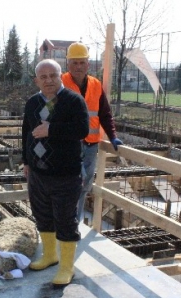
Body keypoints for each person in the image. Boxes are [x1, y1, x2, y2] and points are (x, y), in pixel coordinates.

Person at [22, 59, 89, 286]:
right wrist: (26, 161)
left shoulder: (73, 101)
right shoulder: (32, 103)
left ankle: (66, 267)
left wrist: (51, 129)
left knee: (65, 219)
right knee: (42, 214)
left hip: (65, 173)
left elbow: (82, 129)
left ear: (61, 76)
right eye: (44, 77)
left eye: (53, 75)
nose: (49, 80)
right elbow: (26, 132)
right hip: (38, 173)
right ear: (36, 80)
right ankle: (50, 255)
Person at [62, 42, 123, 223]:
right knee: (70, 182)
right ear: (68, 64)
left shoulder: (96, 85)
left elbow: (104, 114)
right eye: (75, 63)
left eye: (82, 63)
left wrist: (112, 136)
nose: (78, 67)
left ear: (88, 64)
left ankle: (75, 222)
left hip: (91, 145)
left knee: (85, 185)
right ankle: (64, 221)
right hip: (70, 144)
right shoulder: (61, 83)